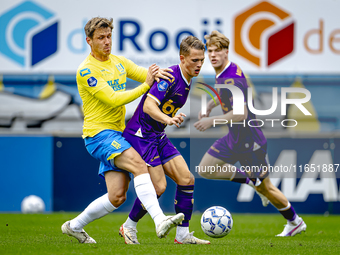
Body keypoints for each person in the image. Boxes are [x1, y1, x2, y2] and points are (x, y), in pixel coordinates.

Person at [61, 17, 184, 244]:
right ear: (89, 41)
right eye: (101, 38)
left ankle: (74, 226)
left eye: (109, 36)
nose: (107, 42)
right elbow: (114, 99)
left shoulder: (118, 62)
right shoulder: (86, 71)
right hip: (98, 135)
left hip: (117, 135)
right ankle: (159, 221)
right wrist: (146, 85)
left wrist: (161, 75)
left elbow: (142, 72)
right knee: (139, 165)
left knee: (117, 196)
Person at [193, 31, 307, 237]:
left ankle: (295, 221)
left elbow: (240, 113)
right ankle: (249, 180)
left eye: (217, 51)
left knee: (266, 188)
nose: (212, 55)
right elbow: (225, 93)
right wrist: (211, 105)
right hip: (234, 139)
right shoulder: (226, 71)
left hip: (250, 143)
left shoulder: (232, 77)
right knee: (205, 168)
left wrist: (212, 121)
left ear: (226, 51)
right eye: (209, 51)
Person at [118, 36, 210, 245]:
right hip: (141, 135)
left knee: (187, 179)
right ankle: (129, 226)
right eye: (194, 60)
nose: (199, 65)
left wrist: (165, 122)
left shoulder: (187, 80)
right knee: (158, 187)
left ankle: (182, 235)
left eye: (201, 60)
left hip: (157, 135)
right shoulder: (170, 77)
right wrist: (168, 119)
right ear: (182, 58)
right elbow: (150, 106)